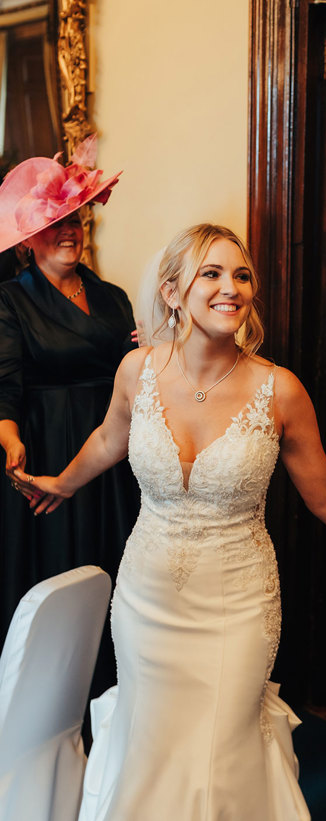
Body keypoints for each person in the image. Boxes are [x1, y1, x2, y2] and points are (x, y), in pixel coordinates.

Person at [7, 223, 326, 821]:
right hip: (147, 599)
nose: (231, 288)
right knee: (149, 764)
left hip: (238, 603)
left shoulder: (277, 390)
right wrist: (60, 486)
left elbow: (321, 491)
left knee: (210, 765)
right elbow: (110, 437)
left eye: (241, 276)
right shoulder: (139, 369)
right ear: (172, 291)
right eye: (210, 274)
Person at [0, 137, 139, 686]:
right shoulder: (11, 300)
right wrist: (7, 434)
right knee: (58, 574)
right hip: (49, 448)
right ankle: (52, 705)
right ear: (29, 238)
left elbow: (137, 372)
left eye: (76, 219)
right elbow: (5, 379)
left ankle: (109, 697)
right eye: (55, 223)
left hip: (112, 453)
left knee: (113, 565)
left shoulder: (114, 298)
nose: (69, 231)